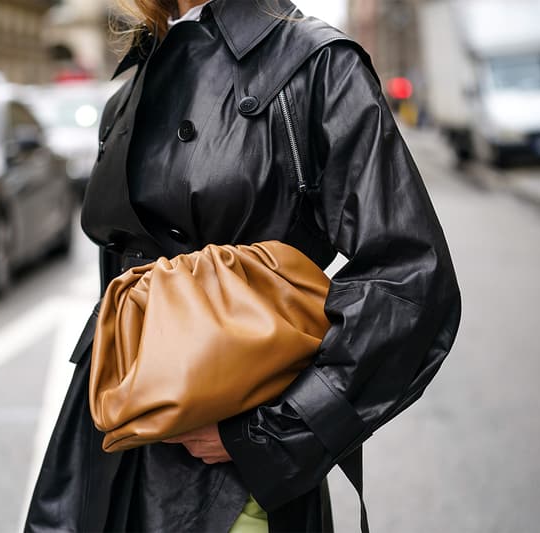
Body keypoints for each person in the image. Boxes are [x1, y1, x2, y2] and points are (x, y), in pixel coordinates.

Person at [25, 1, 462, 532]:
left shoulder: (315, 63)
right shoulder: (137, 79)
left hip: (231, 458)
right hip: (110, 435)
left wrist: (274, 433)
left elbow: (410, 277)